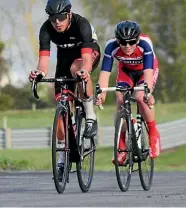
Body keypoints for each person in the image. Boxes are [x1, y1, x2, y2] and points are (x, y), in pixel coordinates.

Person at [28, 0, 101, 179]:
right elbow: (44, 60)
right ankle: (63, 160)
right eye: (53, 19)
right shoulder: (46, 29)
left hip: (87, 54)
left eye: (60, 17)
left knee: (77, 70)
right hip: (64, 59)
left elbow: (85, 58)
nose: (57, 22)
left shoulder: (81, 23)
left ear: (68, 14)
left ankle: (90, 116)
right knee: (61, 112)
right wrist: (39, 72)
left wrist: (85, 71)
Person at [95, 20, 161, 164]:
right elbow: (105, 73)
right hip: (126, 72)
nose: (127, 46)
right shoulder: (111, 46)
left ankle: (154, 134)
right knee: (119, 98)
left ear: (137, 39)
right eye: (123, 43)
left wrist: (148, 92)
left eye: (131, 42)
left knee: (140, 97)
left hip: (146, 71)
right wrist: (101, 94)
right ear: (117, 40)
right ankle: (122, 146)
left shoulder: (145, 43)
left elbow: (148, 72)